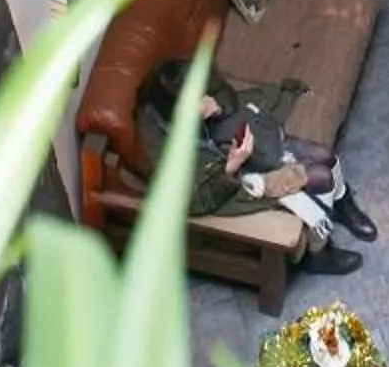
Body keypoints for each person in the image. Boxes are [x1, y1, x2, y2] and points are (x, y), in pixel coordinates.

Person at [138, 59, 376, 276]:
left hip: (240, 149)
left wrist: (218, 106)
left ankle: (343, 203)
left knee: (325, 155)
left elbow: (226, 92)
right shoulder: (159, 147)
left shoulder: (188, 82)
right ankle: (317, 255)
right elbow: (194, 202)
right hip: (227, 186)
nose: (203, 100)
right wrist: (231, 168)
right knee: (320, 176)